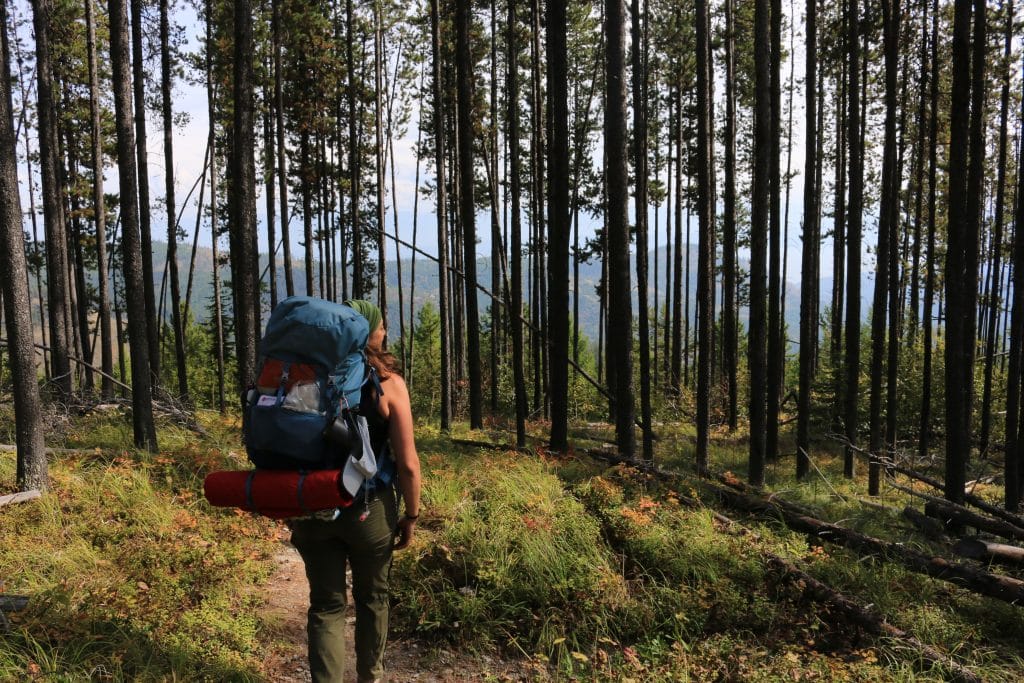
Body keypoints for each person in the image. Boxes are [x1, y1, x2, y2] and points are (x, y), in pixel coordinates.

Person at [289, 299, 421, 683]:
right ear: (367, 331)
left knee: (326, 606)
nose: (385, 332)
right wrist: (411, 516)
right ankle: (370, 677)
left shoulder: (306, 378)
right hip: (368, 509)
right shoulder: (387, 384)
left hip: (312, 504)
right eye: (381, 326)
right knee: (372, 599)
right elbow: (408, 463)